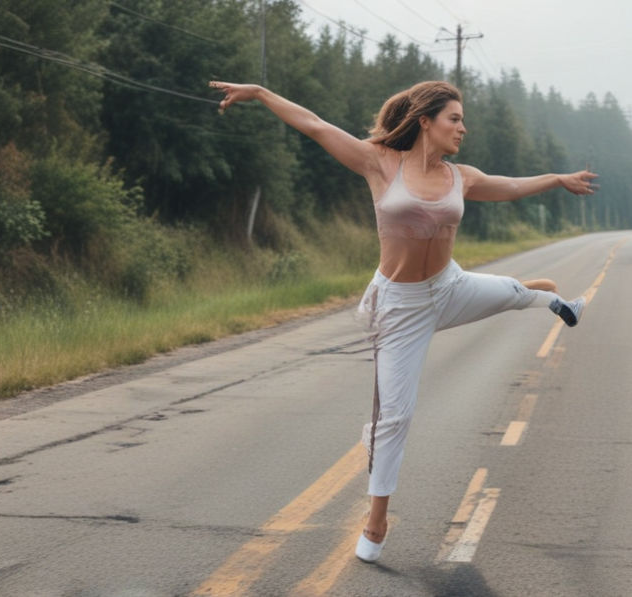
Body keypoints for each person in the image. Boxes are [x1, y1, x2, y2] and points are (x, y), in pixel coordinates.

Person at [208, 79, 597, 563]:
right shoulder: (379, 162)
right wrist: (262, 94)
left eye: (462, 119)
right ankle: (376, 520)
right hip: (401, 307)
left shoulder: (462, 177)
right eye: (454, 119)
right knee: (396, 416)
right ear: (425, 122)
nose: (463, 127)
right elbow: (315, 125)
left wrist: (557, 178)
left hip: (449, 287)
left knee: (510, 294)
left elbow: (513, 186)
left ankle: (549, 300)